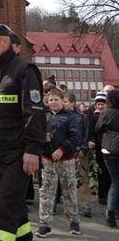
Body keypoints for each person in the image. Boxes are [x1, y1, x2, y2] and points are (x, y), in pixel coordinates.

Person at [0, 23, 46, 241]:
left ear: (5, 42)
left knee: (5, 204)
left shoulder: (24, 70)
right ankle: (23, 236)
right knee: (15, 206)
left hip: (17, 152)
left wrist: (32, 149)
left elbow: (34, 112)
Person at [36, 88, 82, 238]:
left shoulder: (70, 117)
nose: (53, 102)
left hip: (66, 160)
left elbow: (76, 137)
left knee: (69, 191)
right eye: (50, 100)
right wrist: (43, 138)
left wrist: (62, 149)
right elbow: (35, 134)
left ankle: (73, 221)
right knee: (46, 192)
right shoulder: (44, 116)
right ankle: (44, 223)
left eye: (56, 99)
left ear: (63, 101)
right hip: (47, 160)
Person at [63, 93, 92, 218]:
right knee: (68, 180)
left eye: (65, 101)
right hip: (67, 151)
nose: (63, 104)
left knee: (83, 178)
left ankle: (86, 205)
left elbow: (87, 133)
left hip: (81, 152)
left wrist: (84, 148)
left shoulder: (82, 117)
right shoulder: (61, 116)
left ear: (73, 103)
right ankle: (70, 205)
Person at [95, 89, 119, 227]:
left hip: (108, 150)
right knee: (116, 181)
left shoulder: (105, 113)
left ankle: (110, 212)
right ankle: (113, 210)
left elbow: (98, 129)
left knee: (114, 181)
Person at [88, 90, 112, 205]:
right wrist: (92, 141)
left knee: (109, 172)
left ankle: (109, 194)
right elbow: (91, 131)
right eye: (98, 104)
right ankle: (102, 195)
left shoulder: (109, 115)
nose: (101, 106)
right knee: (101, 171)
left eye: (103, 104)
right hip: (98, 147)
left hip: (109, 146)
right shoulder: (94, 117)